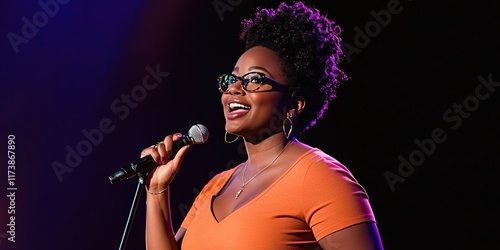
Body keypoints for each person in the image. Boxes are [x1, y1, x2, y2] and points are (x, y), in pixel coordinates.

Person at [141, 1, 383, 249]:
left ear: (294, 105)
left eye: (254, 79)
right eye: (231, 79)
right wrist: (157, 191)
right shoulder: (216, 186)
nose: (234, 88)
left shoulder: (321, 177)